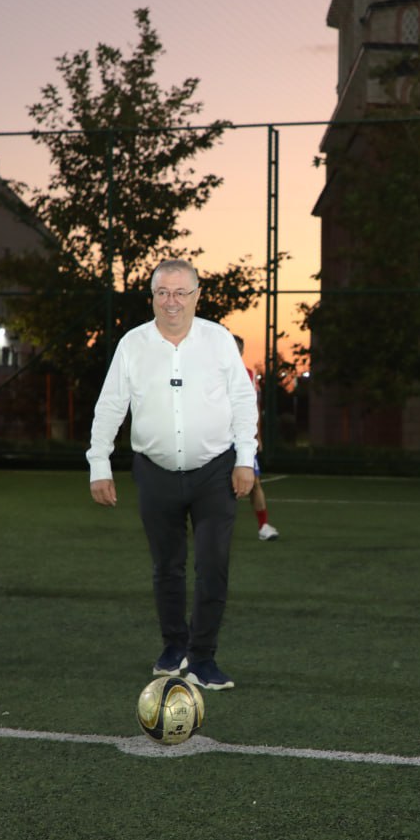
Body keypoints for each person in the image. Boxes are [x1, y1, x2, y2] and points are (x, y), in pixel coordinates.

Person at [87, 259, 258, 691]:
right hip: (155, 472)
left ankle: (203, 658)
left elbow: (242, 400)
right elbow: (110, 406)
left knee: (213, 565)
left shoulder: (218, 340)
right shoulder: (133, 344)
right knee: (167, 567)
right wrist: (99, 465)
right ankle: (173, 647)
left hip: (215, 471)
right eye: (163, 292)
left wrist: (244, 458)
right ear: (152, 297)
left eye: (182, 292)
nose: (172, 302)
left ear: (198, 295)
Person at [231, 334, 280, 541]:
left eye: (237, 348)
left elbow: (254, 408)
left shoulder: (248, 375)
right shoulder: (209, 372)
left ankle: (263, 526)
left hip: (241, 438)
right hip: (214, 439)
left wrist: (256, 435)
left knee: (254, 483)